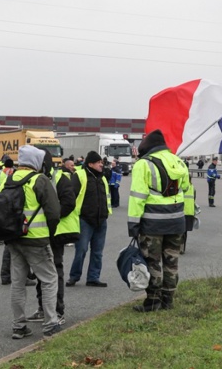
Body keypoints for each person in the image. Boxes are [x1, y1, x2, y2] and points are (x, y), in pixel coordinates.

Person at [0, 145, 61, 339]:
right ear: (36, 162)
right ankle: (51, 323)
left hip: (14, 239)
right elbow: (54, 212)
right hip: (36, 239)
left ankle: (18, 326)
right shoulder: (39, 180)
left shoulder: (9, 179)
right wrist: (50, 233)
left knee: (17, 283)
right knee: (50, 279)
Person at [127, 129, 189, 312]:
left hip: (153, 223)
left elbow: (137, 198)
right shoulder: (178, 161)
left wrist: (133, 224)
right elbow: (185, 187)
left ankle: (153, 301)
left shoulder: (143, 165)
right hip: (177, 221)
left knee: (152, 262)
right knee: (172, 262)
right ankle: (168, 301)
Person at [27, 149, 77, 326]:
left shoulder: (60, 178)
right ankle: (43, 308)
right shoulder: (35, 178)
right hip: (38, 234)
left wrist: (52, 217)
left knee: (54, 271)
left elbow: (69, 203)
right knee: (41, 273)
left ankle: (57, 311)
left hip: (55, 233)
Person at [66, 151, 112, 288]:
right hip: (85, 220)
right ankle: (74, 277)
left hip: (101, 220)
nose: (101, 165)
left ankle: (93, 278)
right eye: (98, 163)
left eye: (101, 163)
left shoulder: (102, 178)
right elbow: (71, 196)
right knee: (81, 250)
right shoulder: (79, 176)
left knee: (97, 252)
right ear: (91, 164)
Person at [181, 176, 197, 255]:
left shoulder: (181, 187)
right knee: (185, 231)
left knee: (180, 230)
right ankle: (183, 247)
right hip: (190, 211)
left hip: (182, 211)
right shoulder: (193, 188)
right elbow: (194, 199)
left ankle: (179, 246)